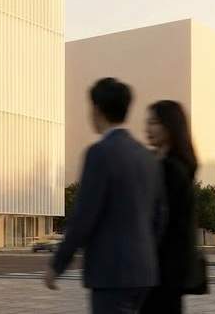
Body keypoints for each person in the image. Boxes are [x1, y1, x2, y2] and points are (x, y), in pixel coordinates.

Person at [45, 77, 164, 314]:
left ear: (97, 110)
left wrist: (57, 265)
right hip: (144, 271)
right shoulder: (148, 157)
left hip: (111, 272)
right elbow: (160, 215)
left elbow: (84, 216)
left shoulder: (99, 153)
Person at [140, 100, 200, 314]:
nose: (147, 129)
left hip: (162, 269)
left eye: (154, 122)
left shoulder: (170, 169)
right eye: (147, 122)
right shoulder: (173, 164)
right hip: (169, 270)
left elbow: (160, 222)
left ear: (170, 126)